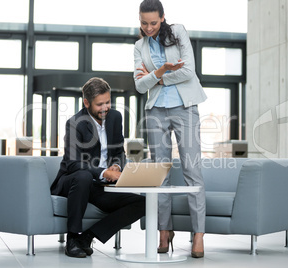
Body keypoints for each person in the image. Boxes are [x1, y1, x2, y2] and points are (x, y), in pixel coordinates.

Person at [134, 0, 207, 258]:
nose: (149, 27)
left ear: (163, 18)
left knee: (192, 169)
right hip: (155, 111)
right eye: (144, 23)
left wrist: (157, 75)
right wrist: (156, 75)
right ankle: (164, 231)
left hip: (185, 108)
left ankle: (198, 234)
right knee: (160, 174)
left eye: (154, 22)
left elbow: (189, 70)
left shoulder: (178, 33)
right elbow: (140, 86)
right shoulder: (139, 46)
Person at [50, 77, 145, 258]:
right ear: (86, 102)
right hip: (72, 182)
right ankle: (72, 238)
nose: (105, 108)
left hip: (99, 187)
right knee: (84, 176)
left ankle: (87, 237)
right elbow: (73, 163)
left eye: (108, 102)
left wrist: (116, 166)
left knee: (143, 202)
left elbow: (118, 151)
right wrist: (103, 171)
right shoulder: (74, 123)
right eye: (99, 104)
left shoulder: (115, 117)